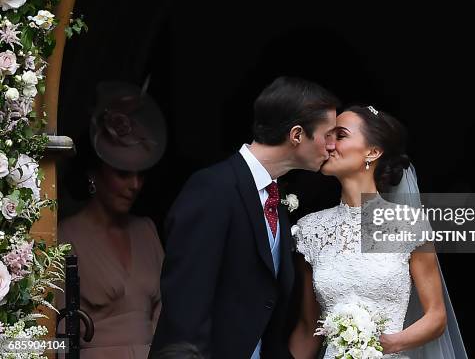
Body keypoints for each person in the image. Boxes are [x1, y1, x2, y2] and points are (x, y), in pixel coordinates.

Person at [150, 77, 340, 358]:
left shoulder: (276, 196)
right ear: (297, 135)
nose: (331, 146)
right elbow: (186, 303)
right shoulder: (213, 188)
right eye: (328, 135)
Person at [289, 105, 467, 358]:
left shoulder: (410, 224)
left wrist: (381, 345)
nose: (328, 144)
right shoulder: (309, 231)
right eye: (328, 136)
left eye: (339, 136)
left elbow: (436, 317)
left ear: (372, 152)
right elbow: (308, 329)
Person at [59, 81, 167, 359]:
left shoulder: (147, 231)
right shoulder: (64, 237)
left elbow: (166, 315)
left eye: (140, 174)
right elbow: (55, 332)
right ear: (94, 173)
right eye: (123, 173)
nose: (135, 185)